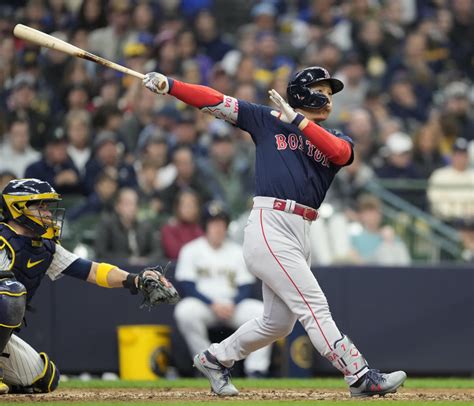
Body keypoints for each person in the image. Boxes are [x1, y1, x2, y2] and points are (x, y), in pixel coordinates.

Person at [143, 66, 407, 397]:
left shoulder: (336, 137)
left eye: (329, 92)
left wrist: (297, 121)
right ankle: (359, 374)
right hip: (271, 224)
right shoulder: (266, 120)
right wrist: (171, 85)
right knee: (314, 306)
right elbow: (216, 101)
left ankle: (215, 358)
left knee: (278, 323)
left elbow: (342, 154)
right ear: (303, 92)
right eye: (322, 90)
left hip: (301, 229)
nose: (328, 98)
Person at [0, 178, 177, 395]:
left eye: (47, 206)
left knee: (45, 379)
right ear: (18, 207)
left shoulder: (44, 247)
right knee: (10, 292)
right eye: (40, 206)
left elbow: (92, 271)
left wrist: (135, 279)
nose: (47, 213)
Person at [174, 201, 271, 377]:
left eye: (221, 224)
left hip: (232, 306)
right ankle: (207, 365)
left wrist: (232, 303)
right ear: (205, 226)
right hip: (205, 306)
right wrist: (213, 304)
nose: (218, 228)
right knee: (184, 311)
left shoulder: (236, 251)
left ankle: (256, 369)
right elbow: (187, 286)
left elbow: (245, 286)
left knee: (264, 313)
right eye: (213, 224)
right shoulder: (191, 250)